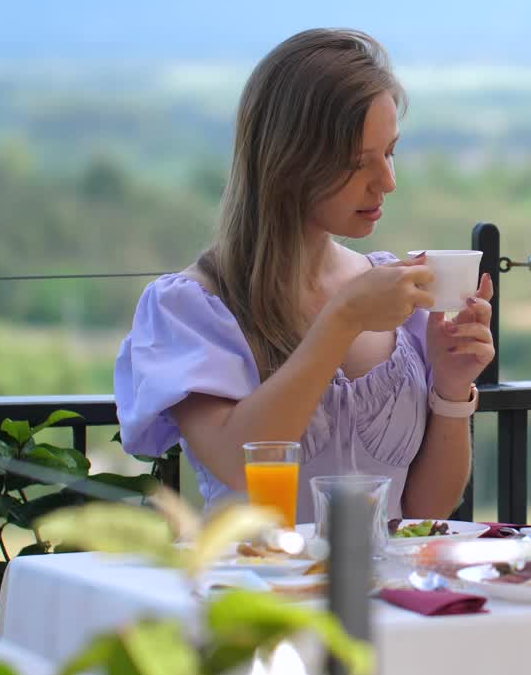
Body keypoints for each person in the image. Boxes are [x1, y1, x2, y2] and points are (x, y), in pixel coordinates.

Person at [114, 28, 495, 523]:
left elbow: (425, 510)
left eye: (390, 152)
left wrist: (451, 388)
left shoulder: (389, 292)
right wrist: (342, 321)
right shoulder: (192, 307)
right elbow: (239, 462)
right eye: (359, 162)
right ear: (291, 160)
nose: (388, 181)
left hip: (388, 596)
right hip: (258, 594)